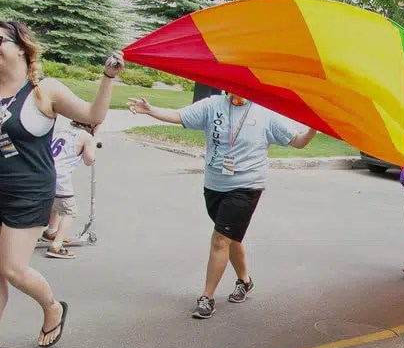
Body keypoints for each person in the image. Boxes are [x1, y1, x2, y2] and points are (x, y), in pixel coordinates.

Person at [0, 20, 123, 348]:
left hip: (29, 190)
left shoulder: (46, 91)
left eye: (0, 40)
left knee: (12, 267)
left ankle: (52, 307)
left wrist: (108, 78)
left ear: (21, 47)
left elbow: (93, 113)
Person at [127, 92, 318, 318]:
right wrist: (151, 110)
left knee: (220, 239)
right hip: (214, 185)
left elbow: (298, 141)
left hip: (246, 186)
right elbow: (180, 116)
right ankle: (245, 281)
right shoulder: (213, 105)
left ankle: (207, 298)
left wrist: (313, 127)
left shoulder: (265, 113)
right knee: (231, 237)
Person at [42, 120, 97, 259]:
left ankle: (51, 231)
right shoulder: (86, 137)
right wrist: (94, 141)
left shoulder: (63, 129)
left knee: (55, 202)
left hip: (46, 170)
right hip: (59, 177)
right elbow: (89, 160)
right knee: (70, 211)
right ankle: (56, 246)